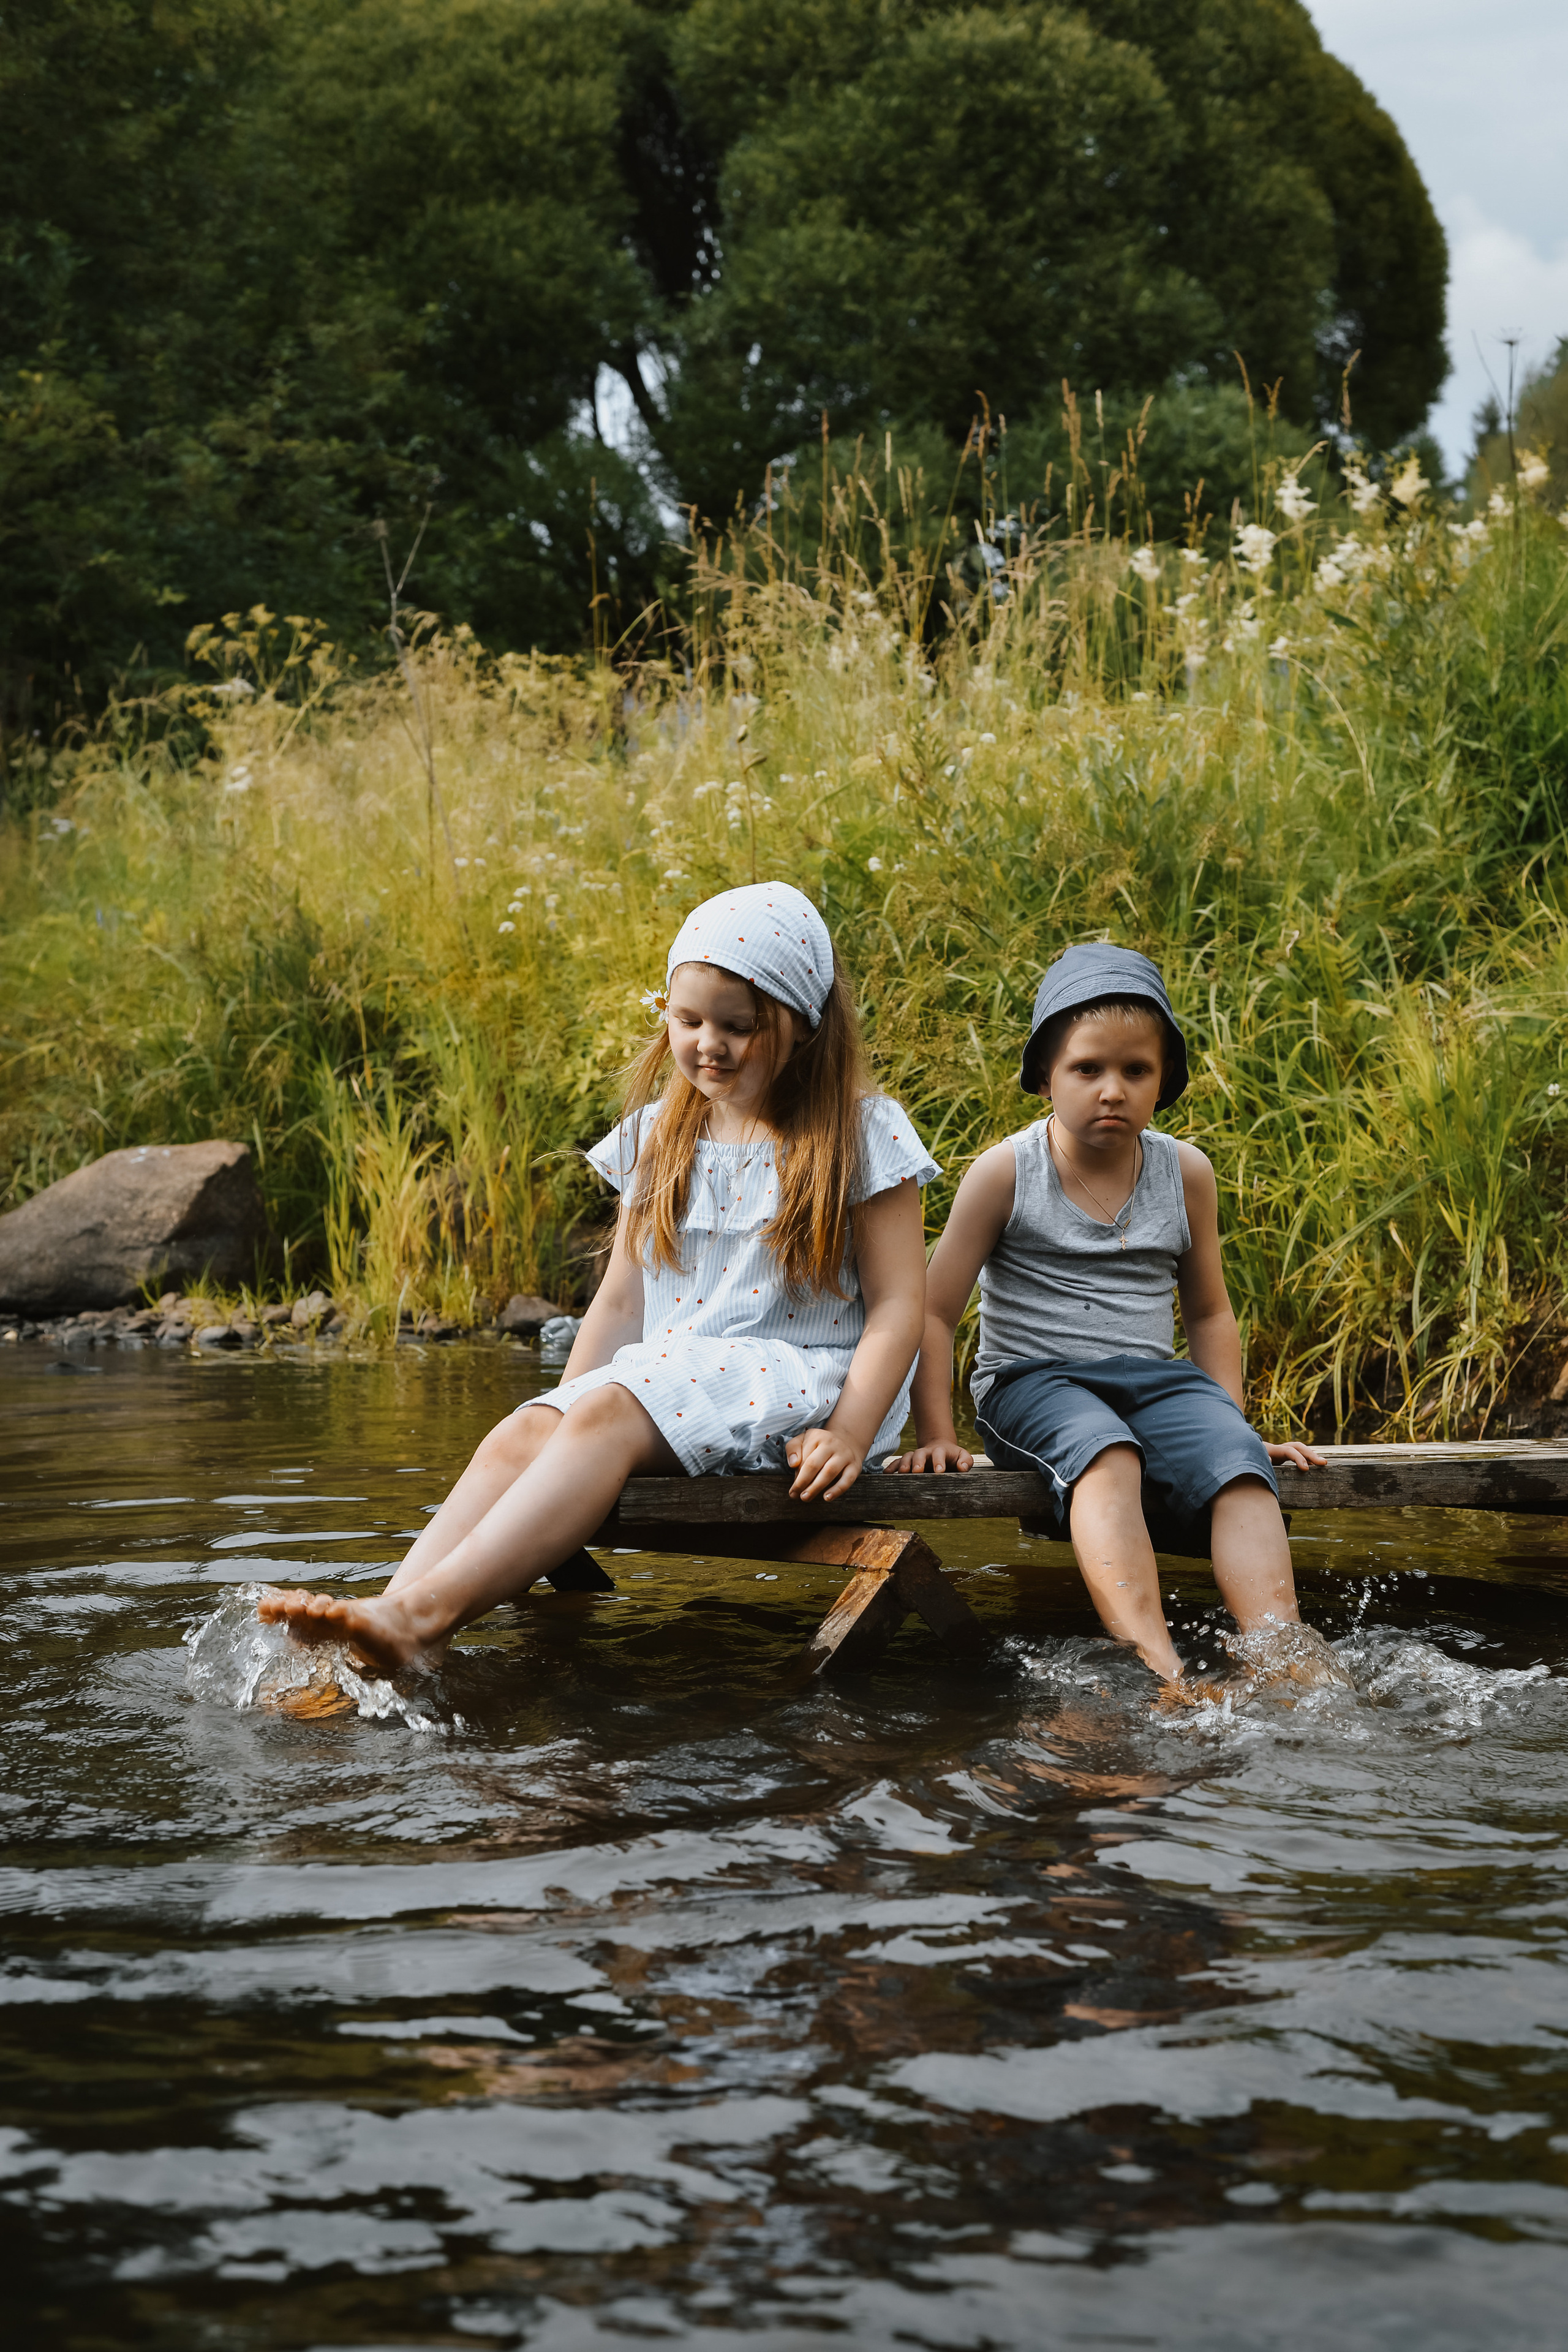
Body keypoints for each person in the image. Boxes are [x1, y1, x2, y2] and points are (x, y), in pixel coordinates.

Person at [260, 882, 938, 1675]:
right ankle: (381, 1629)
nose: (707, 1045)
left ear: (801, 1028)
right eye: (688, 1021)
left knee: (611, 1409)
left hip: (807, 1383)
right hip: (681, 1374)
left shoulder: (860, 1135)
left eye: (737, 1026)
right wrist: (559, 1413)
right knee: (528, 1428)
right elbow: (622, 1299)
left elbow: (899, 1304)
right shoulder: (663, 1135)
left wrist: (853, 1431)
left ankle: (421, 1621)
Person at [888, 942, 1332, 1686]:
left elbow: (1210, 1313)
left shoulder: (1184, 1172)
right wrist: (938, 1433)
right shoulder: (1007, 1173)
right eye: (1086, 1069)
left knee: (1242, 1471)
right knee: (1107, 1452)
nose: (1111, 1090)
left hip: (1152, 1382)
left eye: (1136, 1071)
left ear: (1165, 1081)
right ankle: (1158, 1664)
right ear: (1044, 1077)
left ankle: (1281, 1655)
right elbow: (933, 1313)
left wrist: (1229, 1426)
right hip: (1032, 1382)